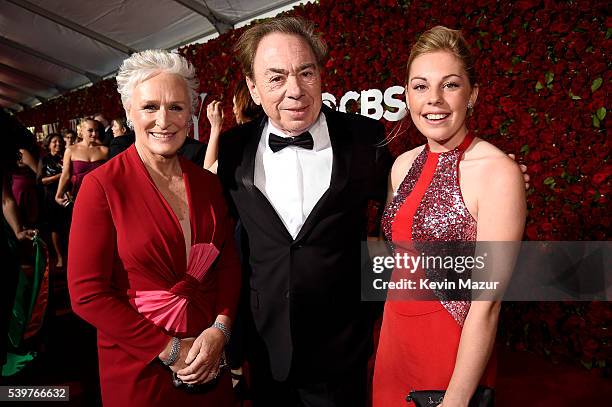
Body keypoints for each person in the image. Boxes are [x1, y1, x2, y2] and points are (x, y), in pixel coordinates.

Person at [217, 17, 392, 406]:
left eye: (305, 72)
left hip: (343, 346)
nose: (295, 90)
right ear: (253, 88)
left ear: (320, 75)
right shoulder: (233, 149)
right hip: (264, 344)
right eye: (276, 78)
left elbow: (398, 207)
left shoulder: (364, 137)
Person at [67, 49, 241, 407]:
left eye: (176, 107)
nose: (164, 120)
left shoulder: (206, 183)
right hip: (140, 366)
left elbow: (226, 262)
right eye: (150, 107)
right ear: (130, 113)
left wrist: (220, 330)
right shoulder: (103, 186)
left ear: (190, 113)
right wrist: (169, 350)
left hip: (208, 359)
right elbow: (87, 294)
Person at [372, 26, 526, 407]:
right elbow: (397, 258)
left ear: (472, 94)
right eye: (421, 86)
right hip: (393, 345)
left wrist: (457, 400)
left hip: (454, 356)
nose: (434, 100)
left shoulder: (497, 171)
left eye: (451, 85)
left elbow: (487, 303)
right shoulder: (401, 165)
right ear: (406, 95)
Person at [204, 81, 263, 173]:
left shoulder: (236, 139)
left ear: (242, 104)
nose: (234, 111)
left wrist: (215, 127)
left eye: (235, 104)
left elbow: (207, 175)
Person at [55, 118, 108, 206]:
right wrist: (58, 194)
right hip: (78, 193)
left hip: (100, 194)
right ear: (81, 131)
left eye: (96, 130)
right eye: (90, 130)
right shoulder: (71, 150)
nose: (94, 134)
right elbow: (66, 175)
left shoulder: (105, 150)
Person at [37, 133, 67, 267]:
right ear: (48, 144)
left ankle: (69, 254)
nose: (58, 144)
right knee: (55, 228)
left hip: (67, 195)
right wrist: (60, 176)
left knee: (68, 226)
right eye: (54, 142)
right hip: (51, 197)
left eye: (60, 141)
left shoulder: (66, 156)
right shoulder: (45, 160)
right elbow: (40, 180)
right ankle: (60, 257)